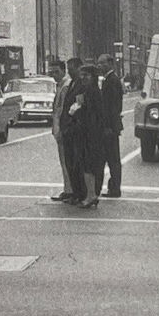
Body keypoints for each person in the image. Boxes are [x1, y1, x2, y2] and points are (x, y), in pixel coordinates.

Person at [61, 65, 105, 209]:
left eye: (86, 75)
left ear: (93, 76)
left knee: (88, 164)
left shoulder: (92, 92)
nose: (83, 78)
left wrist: (76, 113)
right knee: (87, 164)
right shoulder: (88, 90)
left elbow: (90, 114)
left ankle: (91, 195)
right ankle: (90, 194)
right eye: (82, 75)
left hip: (89, 133)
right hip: (88, 132)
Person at [45, 59, 80, 203]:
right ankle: (68, 189)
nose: (54, 75)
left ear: (63, 70)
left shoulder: (65, 85)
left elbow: (61, 109)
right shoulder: (61, 85)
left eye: (56, 72)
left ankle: (70, 190)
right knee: (64, 160)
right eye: (51, 72)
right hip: (59, 126)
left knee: (66, 160)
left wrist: (58, 129)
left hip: (62, 126)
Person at [95, 54, 124, 198]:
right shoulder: (110, 80)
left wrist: (108, 126)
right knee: (112, 159)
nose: (99, 66)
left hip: (109, 128)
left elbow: (112, 107)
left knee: (112, 159)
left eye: (102, 63)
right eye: (98, 63)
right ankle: (113, 187)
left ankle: (114, 188)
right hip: (112, 126)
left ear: (110, 64)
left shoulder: (112, 81)